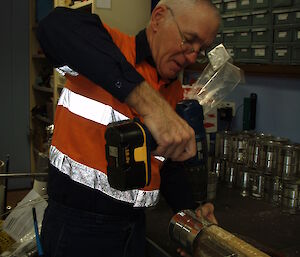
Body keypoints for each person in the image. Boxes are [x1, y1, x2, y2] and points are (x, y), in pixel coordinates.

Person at [37, 0, 220, 256]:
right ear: (158, 18)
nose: (192, 55)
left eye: (201, 49)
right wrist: (147, 102)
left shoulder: (173, 90)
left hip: (132, 229)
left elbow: (164, 165)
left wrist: (191, 213)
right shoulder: (108, 49)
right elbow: (54, 26)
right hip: (78, 230)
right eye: (189, 39)